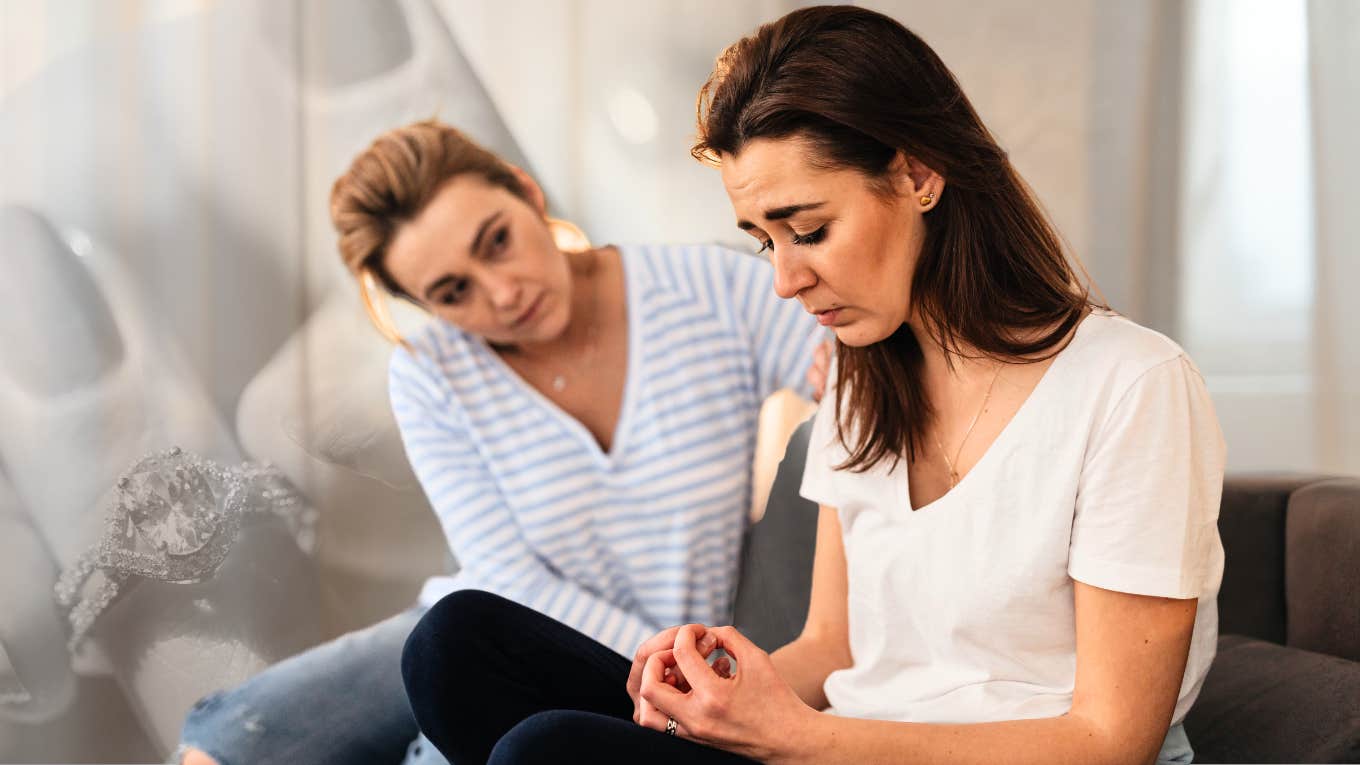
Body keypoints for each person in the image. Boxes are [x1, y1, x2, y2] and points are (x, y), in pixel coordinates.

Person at [402, 7, 1225, 765]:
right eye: (765, 241)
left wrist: (805, 739)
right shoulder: (862, 381)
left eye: (809, 230)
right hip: (836, 747)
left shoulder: (1131, 385)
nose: (785, 281)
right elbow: (832, 647)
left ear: (919, 175)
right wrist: (719, 685)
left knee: (544, 752)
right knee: (457, 643)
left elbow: (1111, 738)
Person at [175, 119, 826, 765]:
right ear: (427, 306)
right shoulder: (433, 375)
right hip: (499, 630)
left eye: (496, 241)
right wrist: (667, 668)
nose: (504, 292)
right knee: (220, 747)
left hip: (651, 667)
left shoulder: (702, 289)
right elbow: (507, 575)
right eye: (455, 292)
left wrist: (683, 672)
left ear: (526, 193)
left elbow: (856, 360)